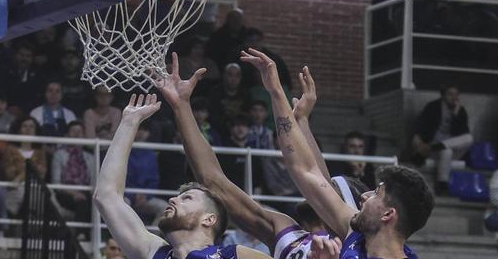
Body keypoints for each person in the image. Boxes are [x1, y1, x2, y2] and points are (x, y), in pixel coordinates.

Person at [154, 55, 356, 259]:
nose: (325, 186)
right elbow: (213, 181)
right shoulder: (285, 233)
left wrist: (279, 96)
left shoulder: (357, 244)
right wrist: (181, 107)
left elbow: (313, 175)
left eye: (336, 188)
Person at [241, 48, 434, 259]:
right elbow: (307, 171)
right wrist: (277, 92)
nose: (365, 195)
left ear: (388, 214)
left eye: (377, 193)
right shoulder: (357, 234)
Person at [92, 93, 274, 259]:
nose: (172, 199)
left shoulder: (234, 254)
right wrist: (129, 122)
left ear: (209, 219)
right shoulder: (155, 252)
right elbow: (106, 196)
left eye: (187, 198)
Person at [411, 84, 473, 193]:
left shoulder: (461, 111)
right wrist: (419, 143)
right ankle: (442, 184)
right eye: (450, 94)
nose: (454, 97)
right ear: (443, 95)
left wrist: (456, 115)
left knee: (469, 138)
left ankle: (438, 146)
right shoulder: (432, 107)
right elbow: (420, 127)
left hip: (447, 149)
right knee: (446, 151)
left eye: (456, 94)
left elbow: (461, 133)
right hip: (432, 150)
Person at [1, 116, 48, 215]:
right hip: (15, 188)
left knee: (44, 193)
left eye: (31, 127)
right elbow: (9, 174)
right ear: (18, 130)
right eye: (24, 126)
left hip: (35, 187)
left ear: (36, 131)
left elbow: (42, 174)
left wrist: (21, 173)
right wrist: (32, 169)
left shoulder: (40, 151)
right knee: (24, 193)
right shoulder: (9, 149)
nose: (28, 129)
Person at [52, 121, 95, 223]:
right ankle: (81, 234)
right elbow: (56, 183)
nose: (77, 134)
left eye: (80, 132)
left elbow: (94, 181)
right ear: (67, 136)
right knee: (82, 201)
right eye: (73, 131)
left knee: (90, 200)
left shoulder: (90, 157)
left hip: (87, 193)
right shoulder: (59, 155)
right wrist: (73, 193)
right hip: (65, 192)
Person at [126, 123, 168, 225]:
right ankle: (124, 238)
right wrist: (132, 195)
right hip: (126, 195)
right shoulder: (124, 151)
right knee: (121, 205)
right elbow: (120, 179)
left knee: (165, 208)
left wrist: (146, 195)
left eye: (144, 130)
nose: (140, 133)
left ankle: (151, 239)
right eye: (138, 129)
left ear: (148, 133)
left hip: (146, 197)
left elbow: (154, 180)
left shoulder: (151, 155)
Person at [207, 63, 251, 130]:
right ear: (224, 76)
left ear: (241, 77)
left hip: (241, 130)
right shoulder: (215, 93)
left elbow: (248, 115)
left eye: (237, 75)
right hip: (218, 130)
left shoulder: (246, 94)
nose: (233, 79)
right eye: (230, 75)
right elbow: (212, 116)